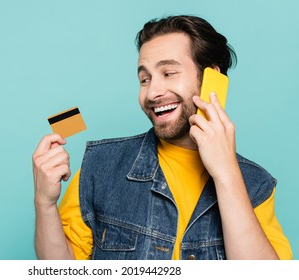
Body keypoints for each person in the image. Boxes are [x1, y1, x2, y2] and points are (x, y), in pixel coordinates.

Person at [32, 15, 292, 260]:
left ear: (212, 78)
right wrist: (44, 203)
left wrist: (226, 175)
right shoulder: (99, 168)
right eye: (144, 79)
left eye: (168, 73)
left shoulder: (255, 185)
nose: (152, 92)